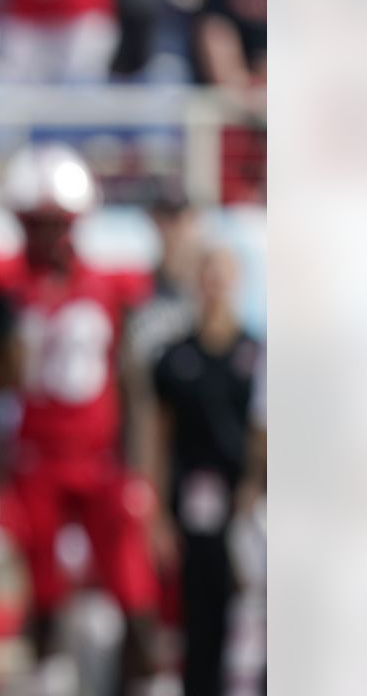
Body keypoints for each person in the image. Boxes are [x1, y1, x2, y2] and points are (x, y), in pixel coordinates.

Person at [0, 143, 160, 694]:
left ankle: (143, 683)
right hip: (36, 457)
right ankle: (45, 680)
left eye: (56, 223)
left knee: (132, 586)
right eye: (36, 224)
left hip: (100, 458)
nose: (47, 236)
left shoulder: (109, 285)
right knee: (42, 588)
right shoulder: (8, 292)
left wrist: (140, 468)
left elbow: (132, 382)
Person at [152, 247, 264, 696]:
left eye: (223, 274)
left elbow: (264, 428)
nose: (215, 284)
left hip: (251, 510)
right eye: (208, 274)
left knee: (253, 618)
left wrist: (254, 487)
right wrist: (158, 511)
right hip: (195, 504)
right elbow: (158, 438)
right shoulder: (174, 357)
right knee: (200, 621)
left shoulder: (256, 353)